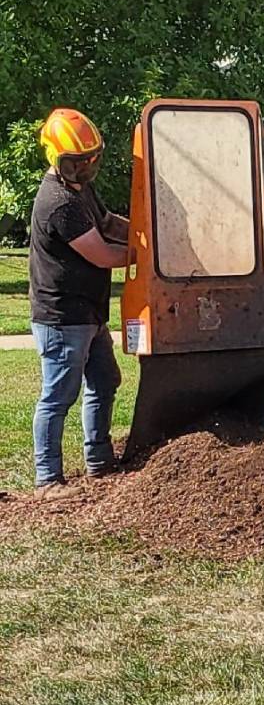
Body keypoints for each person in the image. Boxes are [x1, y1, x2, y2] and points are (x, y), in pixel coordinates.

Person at [29, 108, 129, 501]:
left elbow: (106, 223)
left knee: (105, 381)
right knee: (57, 396)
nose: (86, 169)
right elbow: (103, 254)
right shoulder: (58, 203)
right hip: (63, 317)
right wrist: (151, 255)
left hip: (87, 312)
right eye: (76, 163)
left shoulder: (78, 189)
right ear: (55, 159)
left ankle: (99, 463)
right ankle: (47, 478)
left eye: (91, 161)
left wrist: (145, 227)